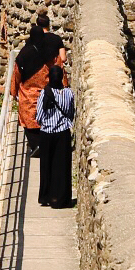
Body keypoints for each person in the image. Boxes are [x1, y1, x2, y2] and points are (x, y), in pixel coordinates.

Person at [8, 15, 64, 155]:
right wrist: (63, 86)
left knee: (29, 118)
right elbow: (59, 68)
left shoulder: (24, 54)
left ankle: (36, 145)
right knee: (48, 116)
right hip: (47, 91)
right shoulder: (51, 53)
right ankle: (48, 144)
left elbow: (16, 75)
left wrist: (13, 92)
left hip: (29, 93)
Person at [35, 63, 76, 209]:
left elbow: (39, 116)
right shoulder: (69, 93)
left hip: (47, 134)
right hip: (63, 133)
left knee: (47, 166)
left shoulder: (44, 93)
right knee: (62, 166)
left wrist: (46, 123)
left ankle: (47, 196)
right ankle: (61, 199)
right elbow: (71, 113)